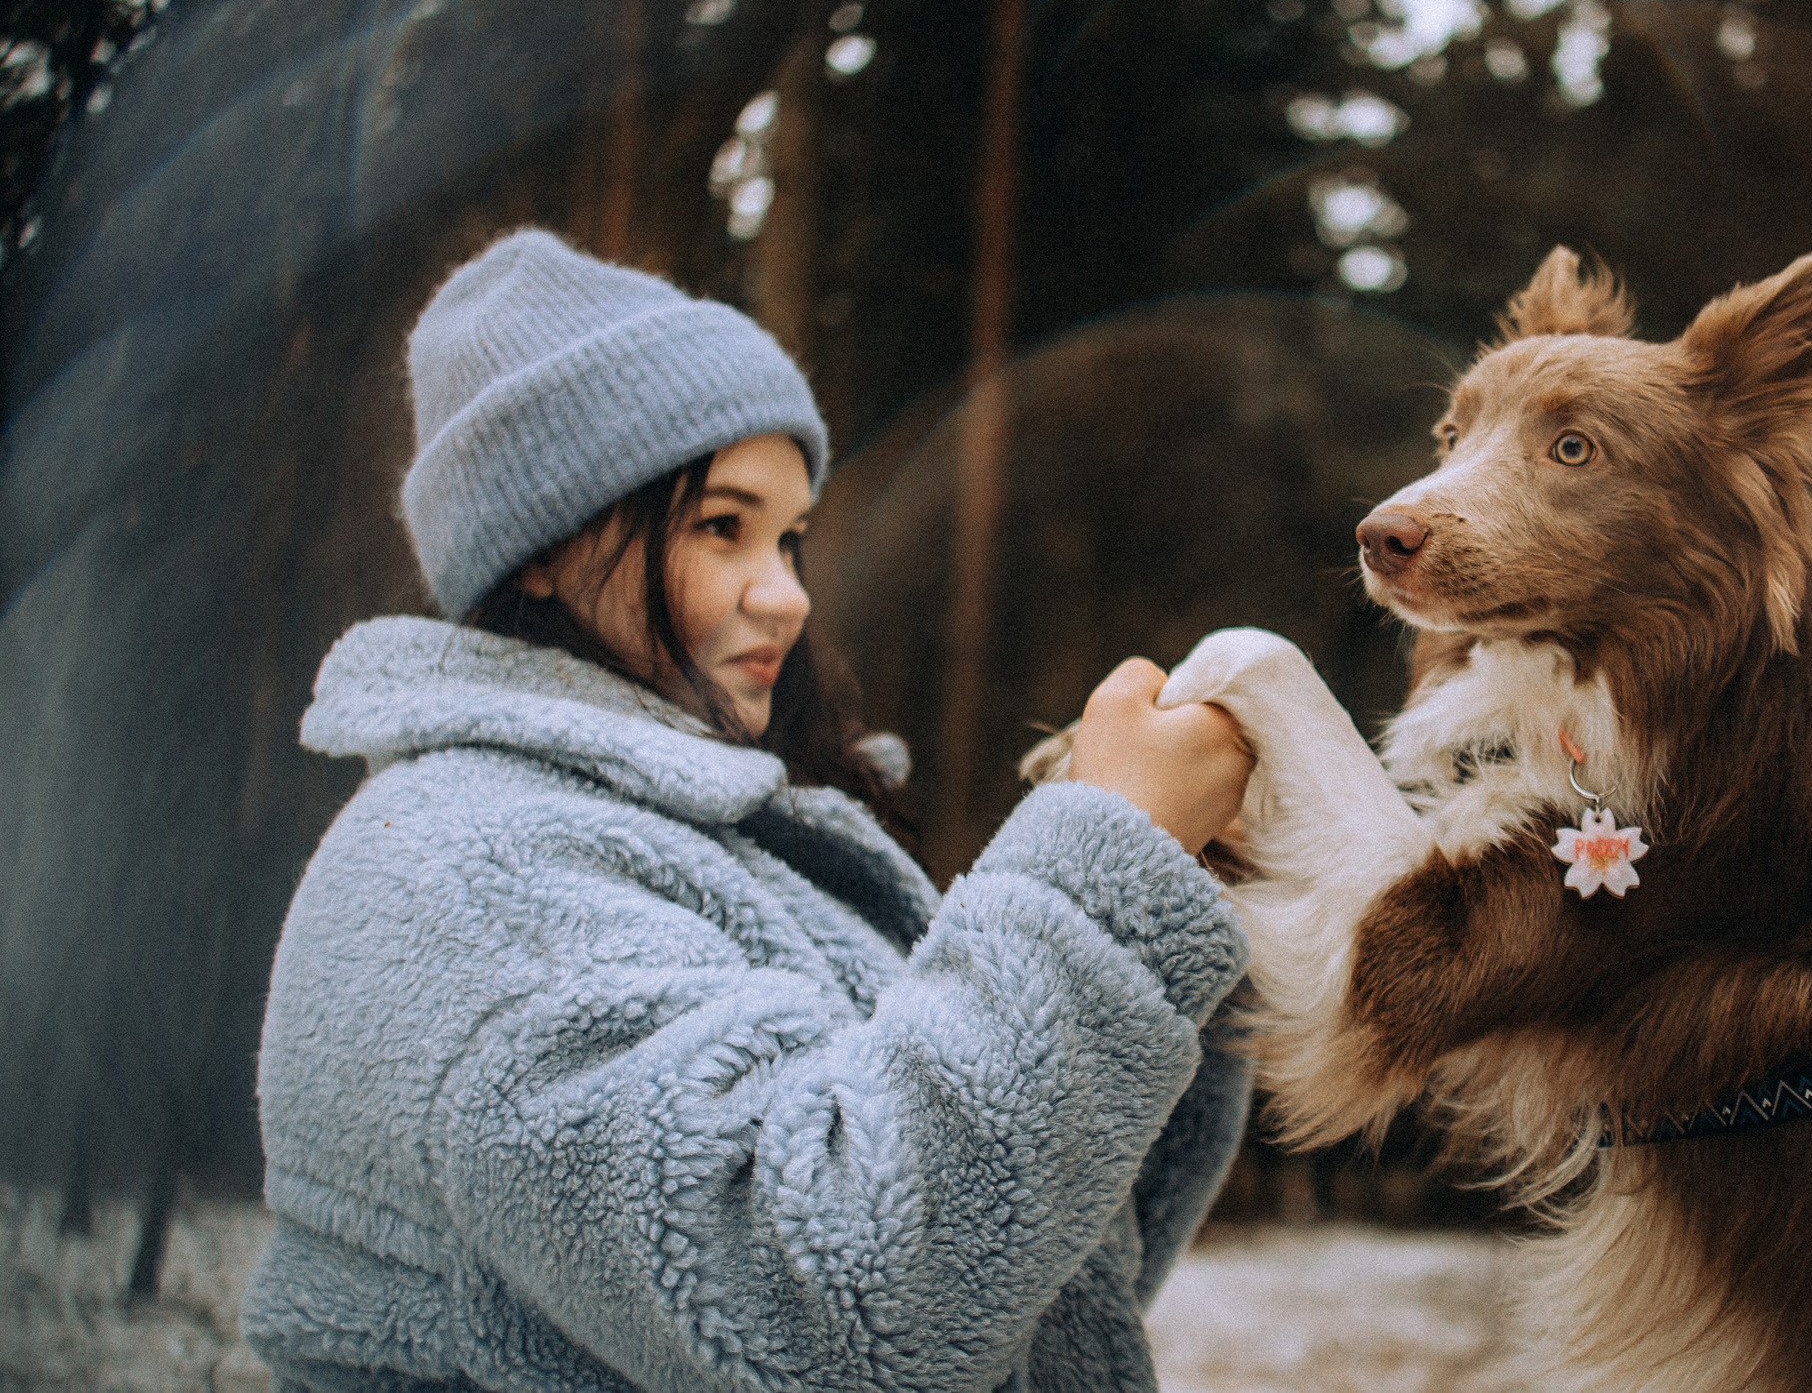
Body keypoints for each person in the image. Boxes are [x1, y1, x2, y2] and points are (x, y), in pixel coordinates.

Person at [239, 229, 1257, 1393]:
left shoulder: (720, 837)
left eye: (792, 535)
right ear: (538, 549)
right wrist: (1097, 880)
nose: (786, 593)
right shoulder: (474, 875)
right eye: (721, 525)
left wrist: (1170, 890)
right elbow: (833, 1312)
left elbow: (1025, 1279)